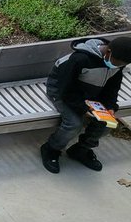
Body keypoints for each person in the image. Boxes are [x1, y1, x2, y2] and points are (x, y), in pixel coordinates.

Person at [40, 36, 131, 174]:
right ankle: (51, 148)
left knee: (107, 123)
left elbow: (112, 88)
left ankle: (81, 149)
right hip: (61, 92)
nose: (118, 67)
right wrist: (84, 108)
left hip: (90, 94)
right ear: (108, 52)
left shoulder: (118, 62)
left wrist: (110, 106)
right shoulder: (79, 59)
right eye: (117, 63)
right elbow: (66, 90)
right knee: (74, 124)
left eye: (122, 65)